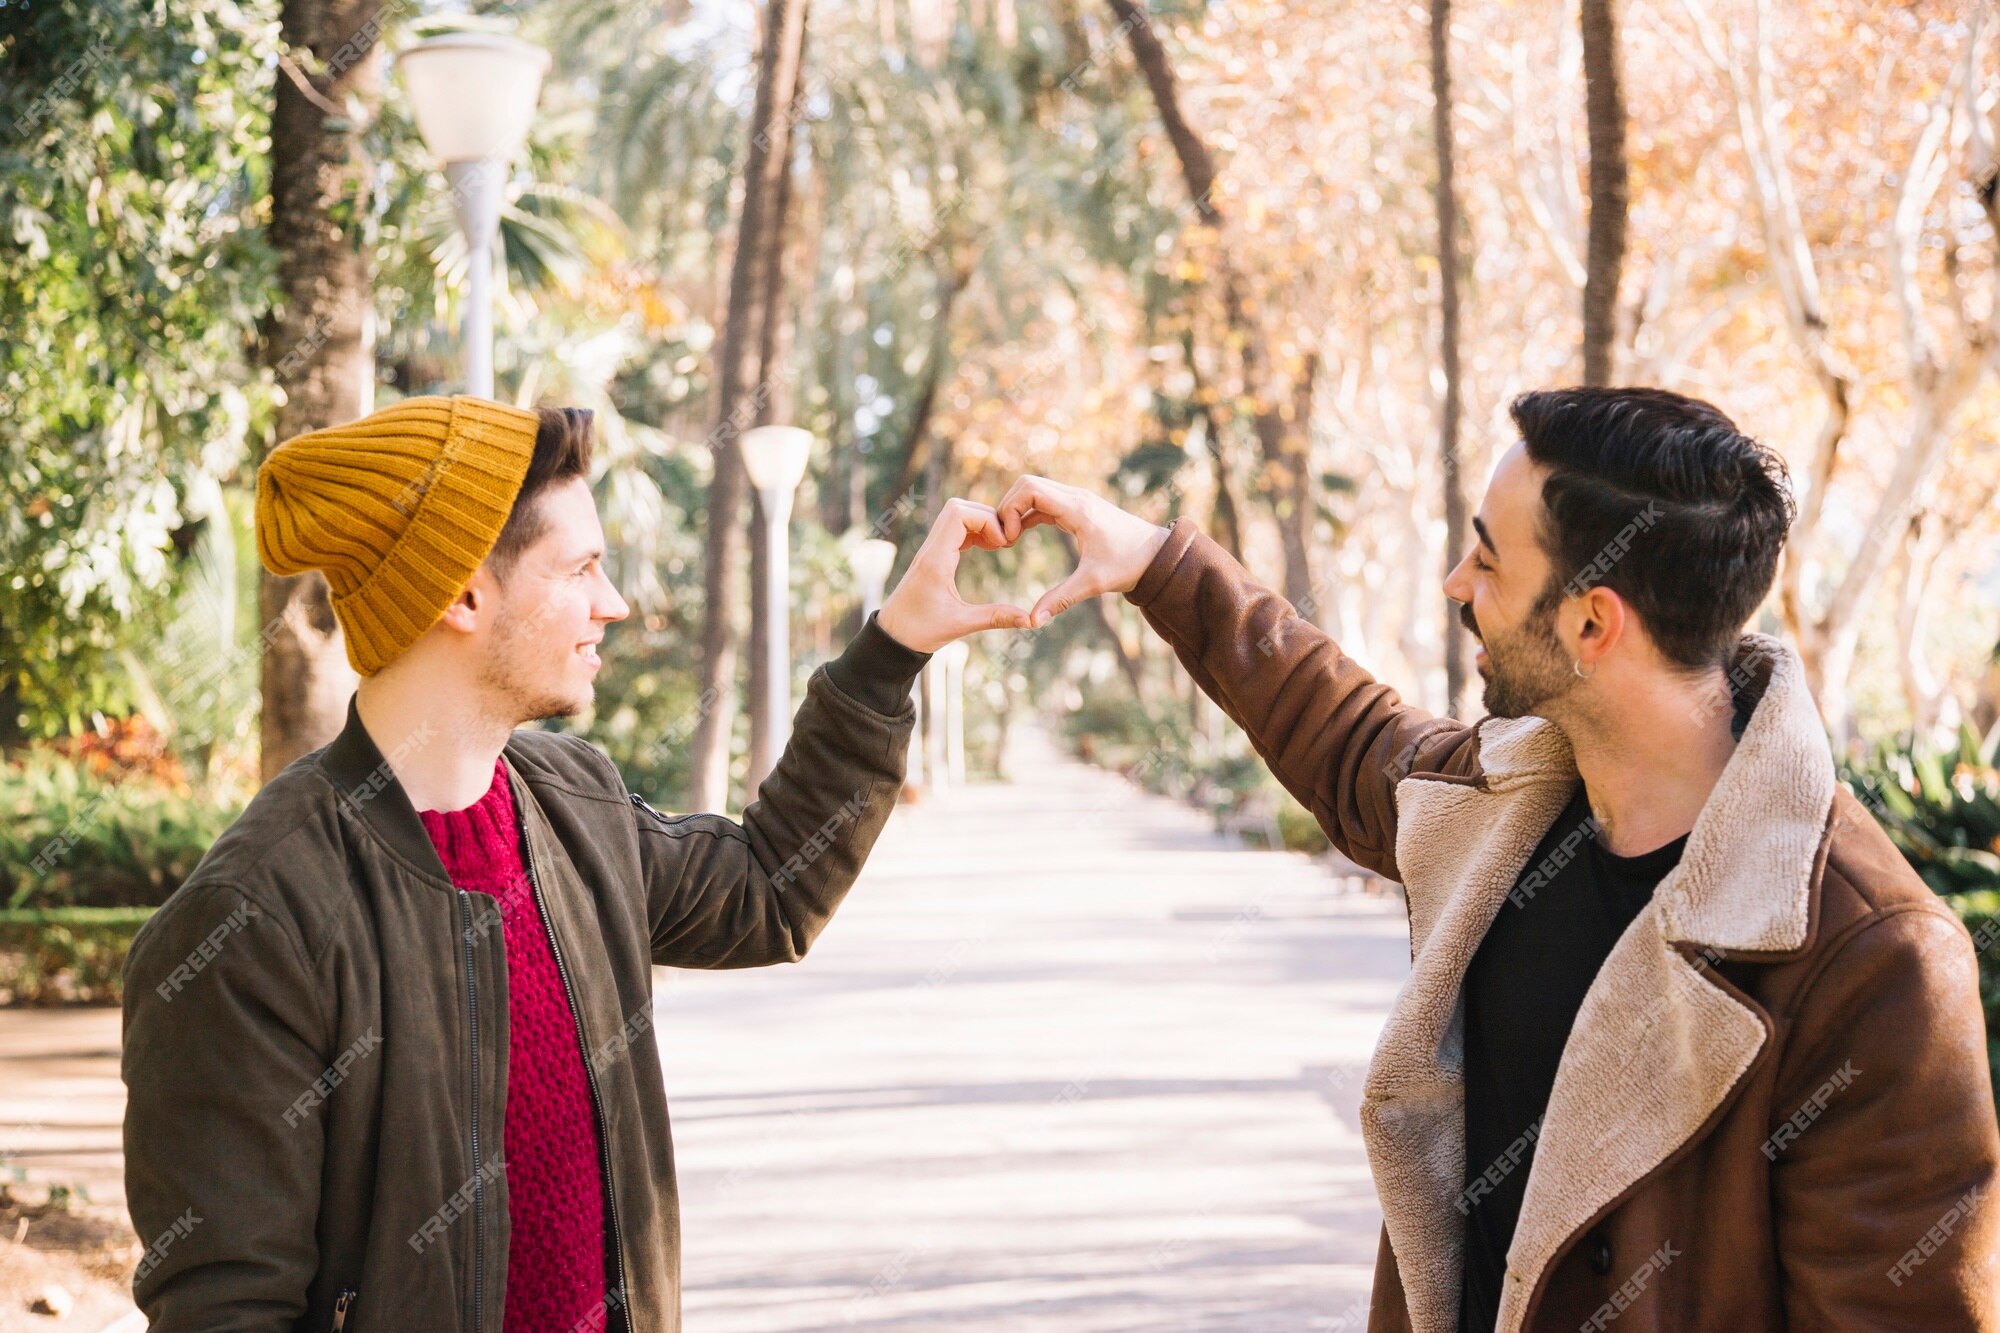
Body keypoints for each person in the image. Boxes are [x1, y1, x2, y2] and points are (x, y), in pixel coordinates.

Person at [997, 386, 2000, 1330]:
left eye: (1485, 560)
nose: (1454, 586)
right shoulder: (1509, 796)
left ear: (1591, 623)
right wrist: (1154, 563)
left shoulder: (1874, 961)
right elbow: (1345, 735)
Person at [120, 396, 1029, 1333]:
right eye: (582, 568)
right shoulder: (253, 922)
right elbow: (226, 1308)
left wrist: (894, 649)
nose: (615, 602)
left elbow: (768, 891)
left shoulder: (573, 803)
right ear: (462, 593)